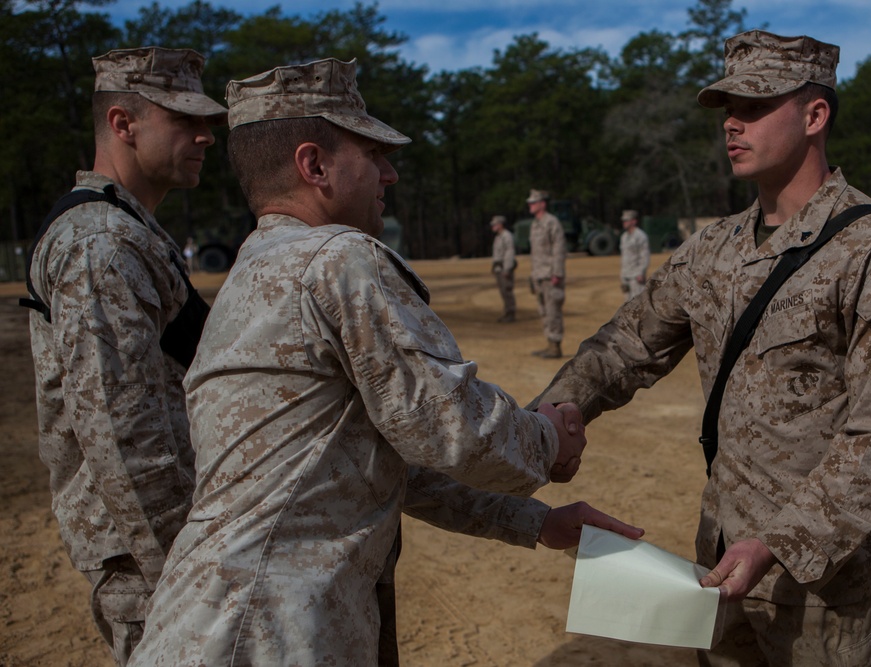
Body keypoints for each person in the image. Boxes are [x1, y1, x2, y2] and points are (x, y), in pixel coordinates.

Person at [131, 58, 642, 667]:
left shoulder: (258, 271)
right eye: (372, 154)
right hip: (269, 634)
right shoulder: (339, 261)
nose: (390, 173)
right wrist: (548, 437)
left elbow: (385, 460)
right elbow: (456, 430)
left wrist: (535, 524)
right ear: (313, 165)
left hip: (222, 624)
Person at [530, 30, 871, 665]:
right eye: (727, 110)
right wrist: (540, 426)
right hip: (720, 562)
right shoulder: (713, 250)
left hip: (823, 587)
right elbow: (622, 350)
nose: (732, 125)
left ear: (814, 114)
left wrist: (776, 543)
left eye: (754, 107)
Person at [21, 47, 227, 666]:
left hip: (163, 543)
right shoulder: (100, 244)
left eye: (208, 123)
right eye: (183, 120)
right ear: (122, 123)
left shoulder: (126, 231)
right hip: (152, 555)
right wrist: (187, 574)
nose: (204, 136)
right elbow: (120, 435)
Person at [527, 189, 567, 358]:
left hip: (551, 276)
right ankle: (549, 343)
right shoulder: (535, 224)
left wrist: (557, 272)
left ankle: (556, 345)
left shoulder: (552, 222)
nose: (530, 205)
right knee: (544, 311)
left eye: (533, 202)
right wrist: (533, 275)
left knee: (553, 310)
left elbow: (559, 249)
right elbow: (535, 253)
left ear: (542, 203)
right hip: (539, 275)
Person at [490, 214, 517, 322]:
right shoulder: (498, 237)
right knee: (503, 292)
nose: (493, 226)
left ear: (500, 225)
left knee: (507, 291)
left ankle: (511, 313)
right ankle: (507, 312)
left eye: (495, 224)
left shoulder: (507, 236)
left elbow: (509, 253)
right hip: (498, 268)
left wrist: (507, 268)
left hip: (504, 268)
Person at [619, 209, 650, 300]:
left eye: (626, 220)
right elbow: (624, 257)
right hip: (626, 274)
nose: (624, 222)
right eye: (623, 221)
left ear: (634, 221)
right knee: (627, 304)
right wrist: (622, 275)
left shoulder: (640, 236)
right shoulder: (624, 237)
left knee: (637, 303)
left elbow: (644, 256)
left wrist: (641, 272)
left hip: (636, 277)